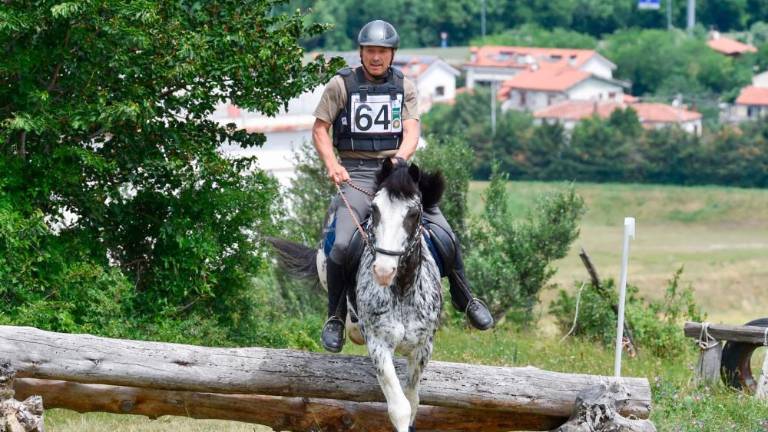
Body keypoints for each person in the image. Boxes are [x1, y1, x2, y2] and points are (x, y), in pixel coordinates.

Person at [312, 20, 493, 353]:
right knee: (339, 245)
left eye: (381, 52)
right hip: (356, 172)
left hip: (395, 169)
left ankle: (465, 297)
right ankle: (335, 317)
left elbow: (411, 131)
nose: (375, 57)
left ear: (391, 54)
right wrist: (333, 165)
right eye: (370, 52)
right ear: (361, 53)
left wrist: (401, 158)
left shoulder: (404, 86)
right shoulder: (340, 85)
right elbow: (320, 129)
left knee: (443, 232)